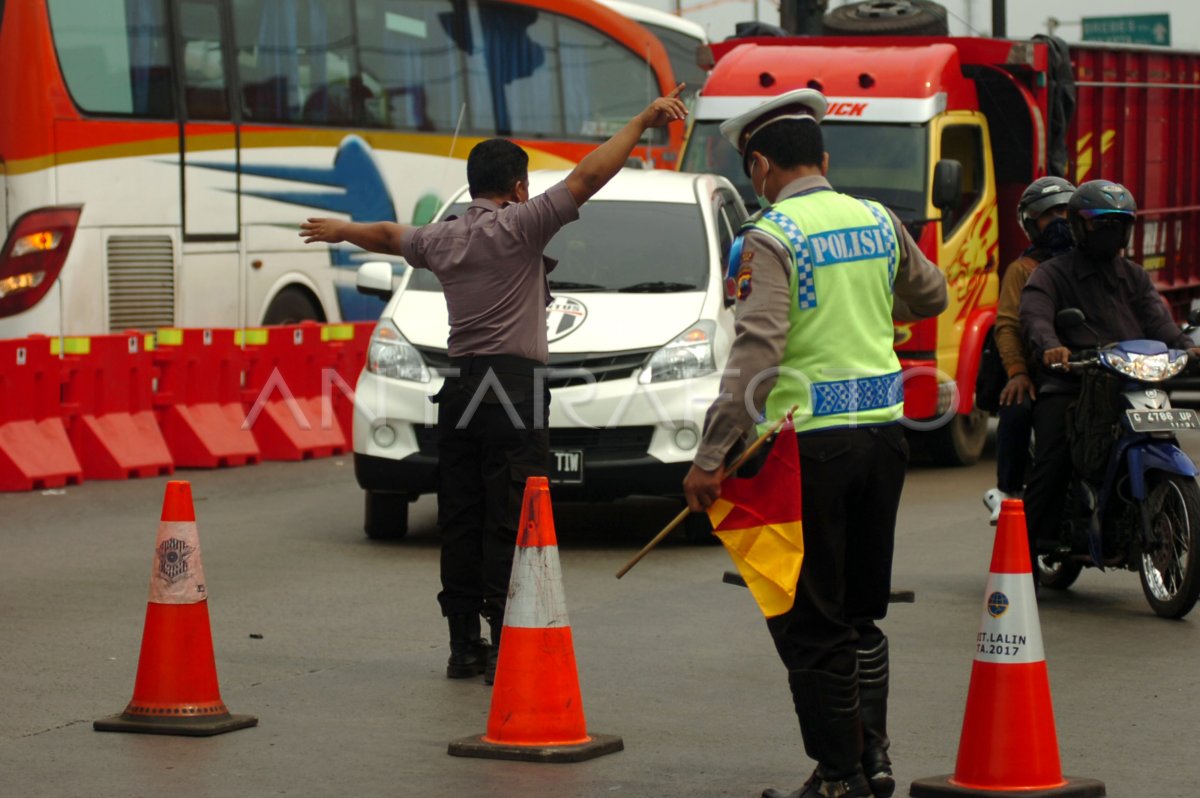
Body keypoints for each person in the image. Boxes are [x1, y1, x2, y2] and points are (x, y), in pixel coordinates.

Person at [300, 86, 689, 683]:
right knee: (514, 513)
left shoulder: (443, 236)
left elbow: (384, 234)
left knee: (460, 512)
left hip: (459, 388)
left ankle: (464, 645)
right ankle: (509, 638)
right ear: (517, 187)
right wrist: (641, 118)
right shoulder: (522, 226)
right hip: (513, 387)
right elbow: (589, 176)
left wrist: (338, 229)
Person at [681, 88, 947, 798]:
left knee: (809, 619)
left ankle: (839, 776)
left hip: (811, 452)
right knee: (860, 609)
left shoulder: (773, 235)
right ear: (824, 160)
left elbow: (757, 350)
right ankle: (871, 760)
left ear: (762, 165)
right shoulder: (879, 220)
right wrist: (873, 301)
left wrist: (711, 455)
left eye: (752, 171)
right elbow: (934, 296)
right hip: (885, 440)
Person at [1020, 179, 1197, 575]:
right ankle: (1023, 556)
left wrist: (1187, 347)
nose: (1111, 231)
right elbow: (1034, 317)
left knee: (1162, 434)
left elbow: (1159, 321)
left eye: (1119, 223)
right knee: (1054, 459)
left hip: (1132, 382)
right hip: (1073, 383)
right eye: (1101, 222)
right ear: (1080, 226)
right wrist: (1052, 346)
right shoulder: (1050, 274)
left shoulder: (1133, 276)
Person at [980, 176, 1075, 524]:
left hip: (1091, 368)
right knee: (1017, 406)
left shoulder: (1097, 261)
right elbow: (1007, 326)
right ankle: (1008, 490)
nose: (1061, 221)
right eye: (1051, 215)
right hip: (1042, 370)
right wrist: (1018, 372)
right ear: (1032, 224)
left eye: (1066, 211)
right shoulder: (1022, 270)